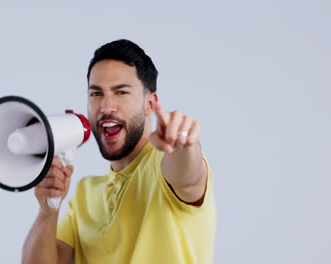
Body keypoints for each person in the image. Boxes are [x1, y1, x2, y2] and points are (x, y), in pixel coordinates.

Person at [22, 39, 216, 264]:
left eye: (121, 92)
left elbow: (188, 176)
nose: (106, 106)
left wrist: (183, 143)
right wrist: (48, 211)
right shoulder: (86, 194)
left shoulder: (163, 165)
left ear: (150, 104)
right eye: (96, 94)